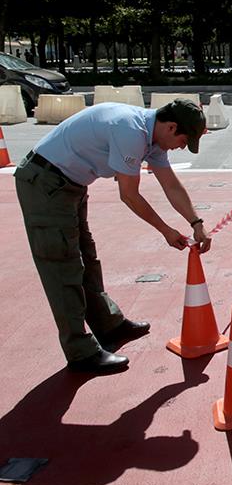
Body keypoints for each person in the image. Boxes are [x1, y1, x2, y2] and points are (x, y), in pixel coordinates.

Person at [14, 99, 211, 374]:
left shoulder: (152, 137)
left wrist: (196, 222)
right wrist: (166, 230)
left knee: (87, 258)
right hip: (46, 184)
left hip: (70, 185)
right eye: (183, 141)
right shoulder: (130, 131)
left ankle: (108, 325)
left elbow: (171, 184)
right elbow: (129, 194)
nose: (180, 147)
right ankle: (80, 352)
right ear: (171, 126)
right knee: (63, 267)